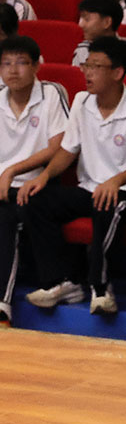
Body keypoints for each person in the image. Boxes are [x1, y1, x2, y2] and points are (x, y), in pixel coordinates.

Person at [20, 36, 126, 315]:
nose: (87, 72)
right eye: (86, 65)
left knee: (105, 203)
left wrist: (115, 181)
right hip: (89, 187)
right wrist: (44, 176)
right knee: (36, 199)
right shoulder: (82, 101)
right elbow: (68, 150)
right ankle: (63, 282)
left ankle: (100, 287)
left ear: (118, 72)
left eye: (96, 66)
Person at [0, 35, 70, 324]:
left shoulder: (52, 93)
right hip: (3, 183)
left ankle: (2, 301)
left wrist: (12, 170)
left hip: (36, 182)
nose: (12, 70)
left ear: (37, 66)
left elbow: (59, 145)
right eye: (5, 64)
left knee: (5, 218)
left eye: (20, 63)